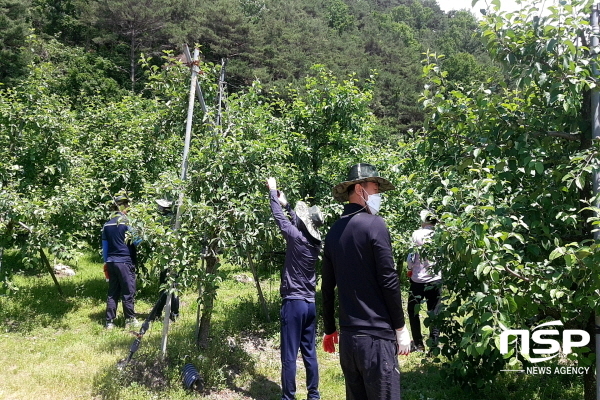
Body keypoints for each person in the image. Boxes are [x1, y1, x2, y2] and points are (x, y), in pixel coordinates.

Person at [321, 163, 411, 400]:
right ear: (360, 189)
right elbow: (389, 279)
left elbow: (327, 286)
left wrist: (330, 328)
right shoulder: (375, 225)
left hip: (349, 341)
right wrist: (400, 328)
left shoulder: (333, 232)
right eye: (375, 187)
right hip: (376, 340)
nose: (379, 194)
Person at [267, 177, 323, 400]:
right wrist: (287, 204)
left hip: (293, 303)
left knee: (289, 356)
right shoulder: (314, 243)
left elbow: (280, 220)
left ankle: (288, 397)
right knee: (309, 352)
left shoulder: (295, 238)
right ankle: (314, 395)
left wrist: (272, 192)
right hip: (309, 303)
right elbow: (296, 221)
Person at [102, 193, 141, 329]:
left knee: (113, 292)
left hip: (111, 261)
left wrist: (106, 262)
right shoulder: (128, 222)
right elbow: (137, 241)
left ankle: (109, 322)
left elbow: (105, 248)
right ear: (124, 206)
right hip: (125, 261)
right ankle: (130, 319)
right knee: (128, 291)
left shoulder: (107, 225)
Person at [406, 209, 442, 353]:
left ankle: (418, 343)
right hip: (435, 279)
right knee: (434, 310)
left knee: (413, 310)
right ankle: (434, 344)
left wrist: (409, 268)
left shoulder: (416, 234)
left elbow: (411, 257)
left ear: (424, 220)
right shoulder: (439, 234)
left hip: (418, 280)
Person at [154, 199, 180, 322]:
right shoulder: (177, 218)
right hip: (177, 256)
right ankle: (174, 312)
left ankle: (159, 311)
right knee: (174, 284)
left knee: (165, 284)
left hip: (166, 257)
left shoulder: (162, 220)